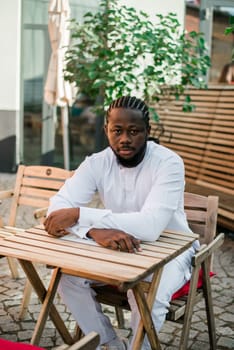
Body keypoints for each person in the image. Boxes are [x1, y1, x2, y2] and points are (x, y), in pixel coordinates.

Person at [44, 96, 199, 350]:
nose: (125, 138)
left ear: (147, 132)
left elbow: (151, 226)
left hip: (171, 249)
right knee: (66, 277)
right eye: (117, 130)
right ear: (106, 130)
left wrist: (81, 216)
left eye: (134, 131)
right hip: (116, 245)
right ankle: (109, 344)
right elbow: (57, 209)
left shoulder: (169, 163)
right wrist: (94, 231)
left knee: (148, 291)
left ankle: (140, 347)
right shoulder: (97, 162)